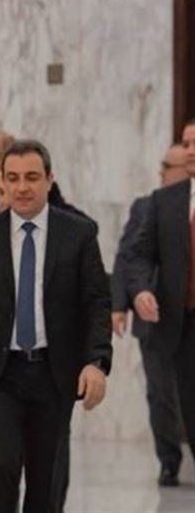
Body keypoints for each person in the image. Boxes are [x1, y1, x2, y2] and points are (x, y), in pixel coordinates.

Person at [0, 139, 112, 513]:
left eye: (32, 177)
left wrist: (96, 362)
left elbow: (96, 303)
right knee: (1, 464)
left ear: (49, 179)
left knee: (46, 478)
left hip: (54, 374)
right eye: (13, 178)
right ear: (2, 182)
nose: (22, 187)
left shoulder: (79, 234)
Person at [112, 144, 188, 486]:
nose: (162, 172)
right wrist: (119, 304)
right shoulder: (147, 206)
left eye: (168, 166)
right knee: (161, 394)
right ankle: (169, 460)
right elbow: (127, 256)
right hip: (155, 320)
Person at [127, 122, 195, 487]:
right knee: (180, 401)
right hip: (179, 321)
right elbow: (138, 254)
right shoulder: (164, 201)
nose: (190, 150)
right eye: (186, 143)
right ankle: (172, 460)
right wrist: (139, 291)